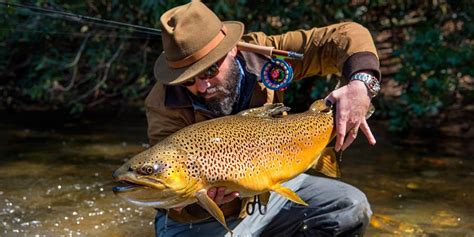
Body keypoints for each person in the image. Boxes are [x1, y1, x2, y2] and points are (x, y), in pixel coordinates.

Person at [145, 1, 381, 236]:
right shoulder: (162, 103)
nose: (202, 85)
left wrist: (361, 83)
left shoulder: (262, 54)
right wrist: (198, 202)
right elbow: (170, 192)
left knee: (350, 207)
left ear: (232, 48)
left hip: (273, 189)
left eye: (210, 70)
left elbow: (346, 35)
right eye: (187, 79)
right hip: (205, 221)